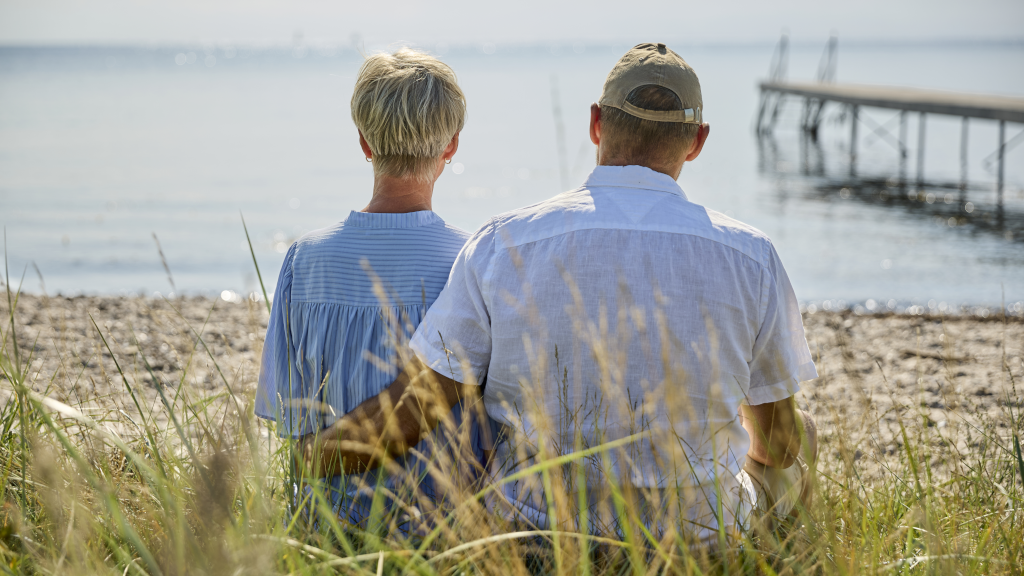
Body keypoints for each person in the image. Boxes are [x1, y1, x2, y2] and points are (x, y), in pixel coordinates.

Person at [298, 43, 818, 544]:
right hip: (697, 542)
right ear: (698, 141)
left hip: (537, 540)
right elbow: (776, 445)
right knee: (804, 438)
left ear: (595, 122)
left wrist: (304, 456)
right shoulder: (751, 256)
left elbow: (410, 414)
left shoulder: (505, 243)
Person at [254, 48, 487, 529]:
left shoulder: (305, 260)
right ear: (452, 146)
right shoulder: (471, 260)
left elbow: (286, 415)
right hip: (439, 533)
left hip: (322, 526)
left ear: (364, 142)